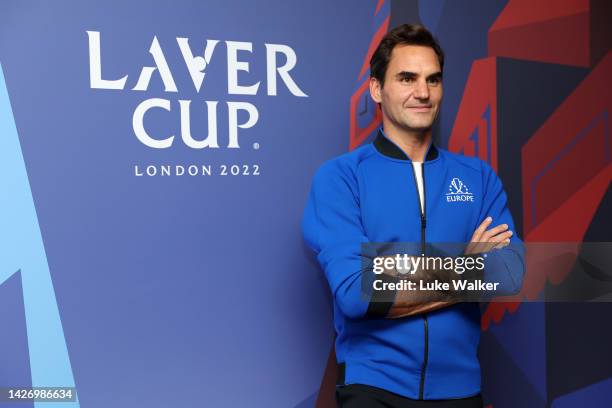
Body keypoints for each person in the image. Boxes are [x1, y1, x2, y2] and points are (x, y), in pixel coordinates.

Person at [302, 24, 525, 407]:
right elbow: (358, 293)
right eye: (407, 78)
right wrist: (467, 266)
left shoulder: (479, 177)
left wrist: (392, 274)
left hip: (462, 391)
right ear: (377, 89)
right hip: (373, 389)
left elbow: (508, 273)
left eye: (432, 80)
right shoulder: (341, 178)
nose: (422, 93)